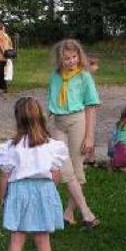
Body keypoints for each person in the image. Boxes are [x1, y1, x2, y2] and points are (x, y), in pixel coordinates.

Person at [0, 97, 68, 251]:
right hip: (44, 190)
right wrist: (50, 190)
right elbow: (56, 175)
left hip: (19, 191)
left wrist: (2, 198)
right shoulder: (52, 146)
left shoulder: (10, 148)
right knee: (43, 239)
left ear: (17, 119)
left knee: (17, 238)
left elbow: (5, 176)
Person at [47, 39, 101, 228]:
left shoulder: (84, 77)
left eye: (74, 57)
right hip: (59, 122)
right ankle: (85, 213)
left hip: (78, 121)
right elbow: (51, 103)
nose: (70, 61)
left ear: (79, 56)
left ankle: (71, 212)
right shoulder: (55, 77)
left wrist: (89, 136)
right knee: (65, 167)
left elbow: (91, 107)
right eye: (66, 58)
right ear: (60, 60)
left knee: (76, 169)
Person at [0, 20, 15, 94]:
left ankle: (1, 87)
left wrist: (4, 52)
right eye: (3, 26)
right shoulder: (6, 35)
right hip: (7, 55)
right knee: (5, 71)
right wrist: (9, 52)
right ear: (1, 27)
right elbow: (10, 44)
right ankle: (5, 86)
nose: (4, 27)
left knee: (0, 72)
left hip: (0, 56)